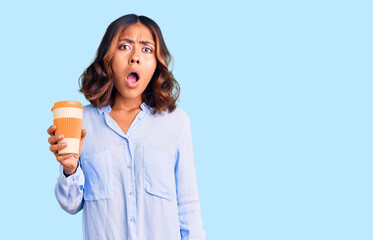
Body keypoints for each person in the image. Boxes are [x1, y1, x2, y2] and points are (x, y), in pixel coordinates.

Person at [47, 14, 206, 240]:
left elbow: (189, 209)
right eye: (124, 46)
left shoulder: (176, 122)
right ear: (108, 58)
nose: (135, 58)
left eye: (146, 49)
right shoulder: (82, 123)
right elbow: (70, 204)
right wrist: (70, 169)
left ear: (156, 63)